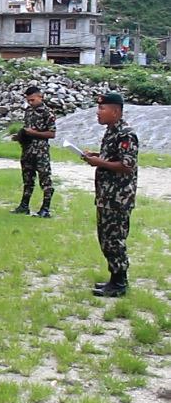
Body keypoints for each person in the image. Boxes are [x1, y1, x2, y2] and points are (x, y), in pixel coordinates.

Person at [82, 93, 139, 298]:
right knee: (106, 238)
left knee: (115, 240)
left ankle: (120, 283)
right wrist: (96, 156)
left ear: (115, 111)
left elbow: (126, 165)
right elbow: (113, 157)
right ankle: (114, 279)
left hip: (118, 198)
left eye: (102, 109)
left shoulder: (126, 134)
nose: (98, 113)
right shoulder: (111, 131)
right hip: (106, 196)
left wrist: (99, 162)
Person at [12, 86, 57, 218]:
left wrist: (34, 133)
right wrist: (20, 136)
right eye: (28, 100)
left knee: (45, 180)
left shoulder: (47, 113)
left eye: (32, 100)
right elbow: (26, 128)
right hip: (27, 150)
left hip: (40, 151)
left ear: (40, 97)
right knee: (27, 179)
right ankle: (24, 206)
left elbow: (52, 134)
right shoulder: (28, 111)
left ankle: (45, 209)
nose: (30, 103)